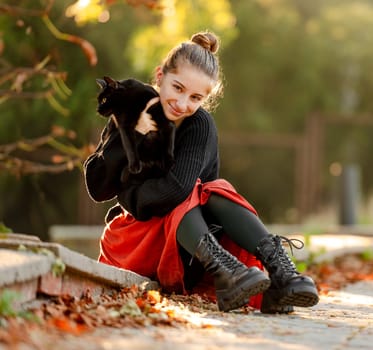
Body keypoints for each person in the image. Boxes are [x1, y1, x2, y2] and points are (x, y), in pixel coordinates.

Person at [84, 31, 319, 314]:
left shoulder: (198, 125)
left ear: (207, 98)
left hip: (190, 251)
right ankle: (227, 272)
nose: (183, 104)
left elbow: (179, 190)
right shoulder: (129, 112)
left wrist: (133, 192)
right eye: (178, 88)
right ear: (159, 76)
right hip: (137, 241)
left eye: (195, 97)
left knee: (210, 190)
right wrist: (134, 132)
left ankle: (280, 272)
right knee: (189, 192)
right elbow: (98, 188)